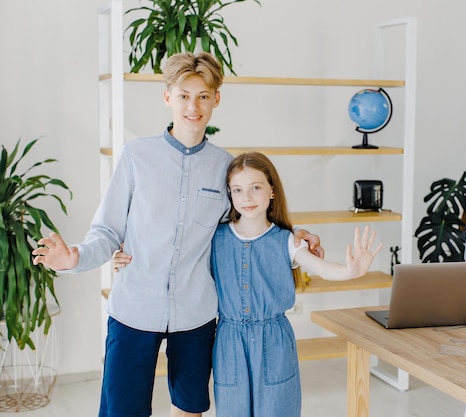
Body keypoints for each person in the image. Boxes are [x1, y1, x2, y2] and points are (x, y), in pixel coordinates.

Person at [32, 52, 322, 417]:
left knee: (189, 409)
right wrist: (75, 257)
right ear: (167, 96)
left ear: (216, 99)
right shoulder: (136, 156)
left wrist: (295, 237)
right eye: (184, 95)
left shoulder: (224, 167)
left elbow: (247, 225)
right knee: (122, 410)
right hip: (134, 308)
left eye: (203, 96)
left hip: (195, 315)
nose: (193, 106)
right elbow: (107, 230)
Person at [207, 152, 383, 417]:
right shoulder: (216, 237)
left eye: (256, 187)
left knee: (278, 409)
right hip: (229, 342)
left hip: (274, 343)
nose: (247, 197)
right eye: (238, 190)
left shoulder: (287, 241)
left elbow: (322, 268)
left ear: (272, 191)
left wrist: (351, 270)